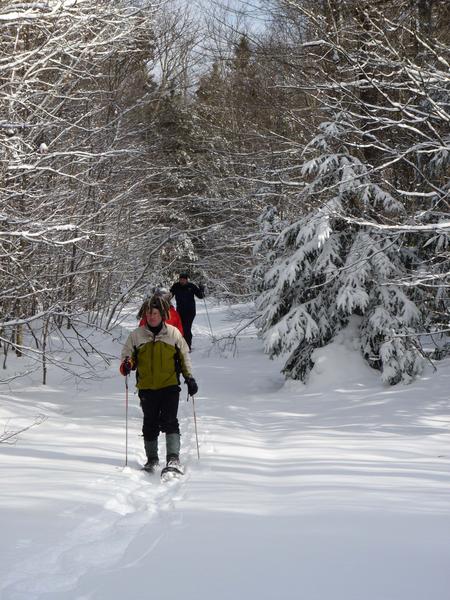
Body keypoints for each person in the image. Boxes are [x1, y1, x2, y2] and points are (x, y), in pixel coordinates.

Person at [120, 294, 198, 472]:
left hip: (169, 385)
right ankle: (152, 460)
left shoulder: (173, 333)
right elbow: (127, 357)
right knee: (150, 423)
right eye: (148, 313)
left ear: (162, 314)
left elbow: (184, 357)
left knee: (170, 421)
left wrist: (189, 378)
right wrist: (127, 365)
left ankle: (173, 459)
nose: (151, 317)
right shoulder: (136, 336)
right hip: (147, 388)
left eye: (155, 313)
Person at [170, 273, 204, 350]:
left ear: (186, 279)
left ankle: (188, 346)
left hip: (190, 311)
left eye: (183, 279)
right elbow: (170, 295)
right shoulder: (176, 286)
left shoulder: (191, 286)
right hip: (179, 311)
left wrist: (201, 290)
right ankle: (180, 345)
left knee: (186, 329)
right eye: (180, 279)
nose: (182, 281)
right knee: (180, 329)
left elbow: (201, 296)